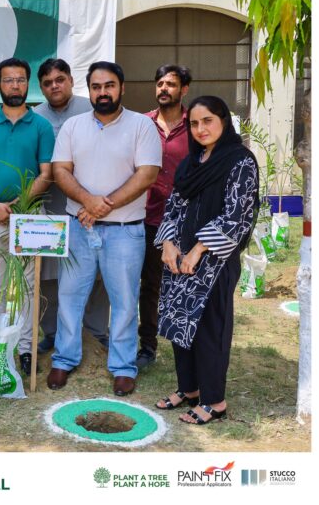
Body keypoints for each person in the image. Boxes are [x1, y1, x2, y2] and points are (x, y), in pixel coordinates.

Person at [49, 61, 161, 395]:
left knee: (124, 300)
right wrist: (88, 201)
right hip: (78, 227)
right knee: (70, 296)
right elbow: (61, 170)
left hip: (125, 230)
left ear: (121, 88)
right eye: (96, 87)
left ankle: (123, 366)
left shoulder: (141, 125)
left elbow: (147, 174)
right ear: (89, 90)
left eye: (109, 85)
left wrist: (103, 205)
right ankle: (64, 359)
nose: (103, 92)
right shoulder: (73, 126)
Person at [154, 96, 258, 425]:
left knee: (210, 329)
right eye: (195, 123)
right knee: (180, 322)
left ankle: (214, 400)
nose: (201, 129)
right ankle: (190, 389)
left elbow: (237, 215)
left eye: (208, 121)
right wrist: (168, 244)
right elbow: (173, 206)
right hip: (179, 258)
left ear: (223, 121)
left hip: (214, 260)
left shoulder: (240, 161)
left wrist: (198, 250)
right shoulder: (191, 162)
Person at [0, 57, 55, 376]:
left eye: (20, 80)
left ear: (27, 84)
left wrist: (20, 205)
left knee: (29, 285)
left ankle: (26, 349)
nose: (14, 85)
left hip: (30, 216)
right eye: (8, 80)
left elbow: (47, 173)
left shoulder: (42, 126)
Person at [32, 58, 110, 354]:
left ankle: (96, 329)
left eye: (60, 79)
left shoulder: (92, 110)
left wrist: (95, 200)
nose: (55, 86)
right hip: (49, 205)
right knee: (48, 271)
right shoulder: (34, 117)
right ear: (41, 88)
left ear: (70, 80)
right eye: (48, 83)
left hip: (90, 204)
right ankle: (52, 331)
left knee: (98, 270)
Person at [137, 65, 192, 369]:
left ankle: (187, 344)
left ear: (184, 89)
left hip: (187, 221)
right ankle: (147, 346)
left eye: (170, 84)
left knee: (186, 284)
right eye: (159, 83)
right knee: (150, 284)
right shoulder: (142, 124)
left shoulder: (195, 125)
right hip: (148, 217)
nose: (163, 89)